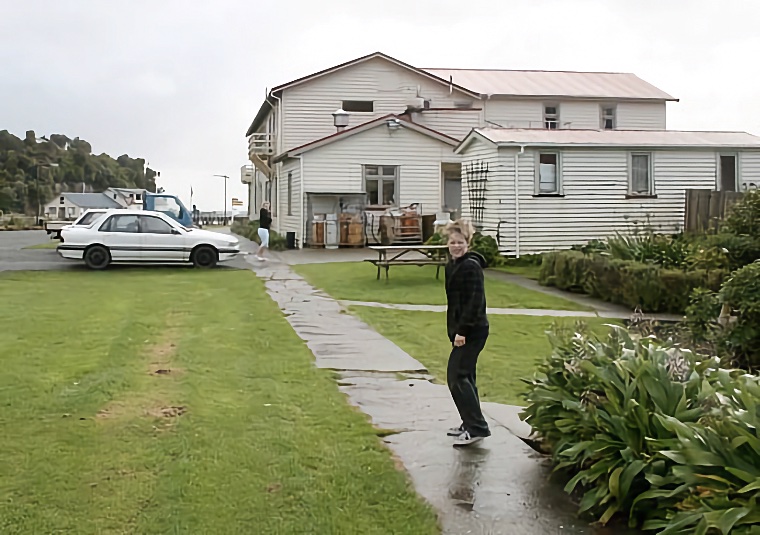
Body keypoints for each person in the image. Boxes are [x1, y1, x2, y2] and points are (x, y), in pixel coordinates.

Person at [443, 219, 490, 447]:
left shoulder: (471, 266)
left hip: (473, 331)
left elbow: (474, 303)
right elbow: (454, 303)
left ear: (467, 243)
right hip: (461, 330)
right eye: (452, 242)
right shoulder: (452, 265)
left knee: (457, 376)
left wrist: (462, 331)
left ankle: (477, 428)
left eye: (460, 242)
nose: (456, 246)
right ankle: (469, 422)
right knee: (467, 376)